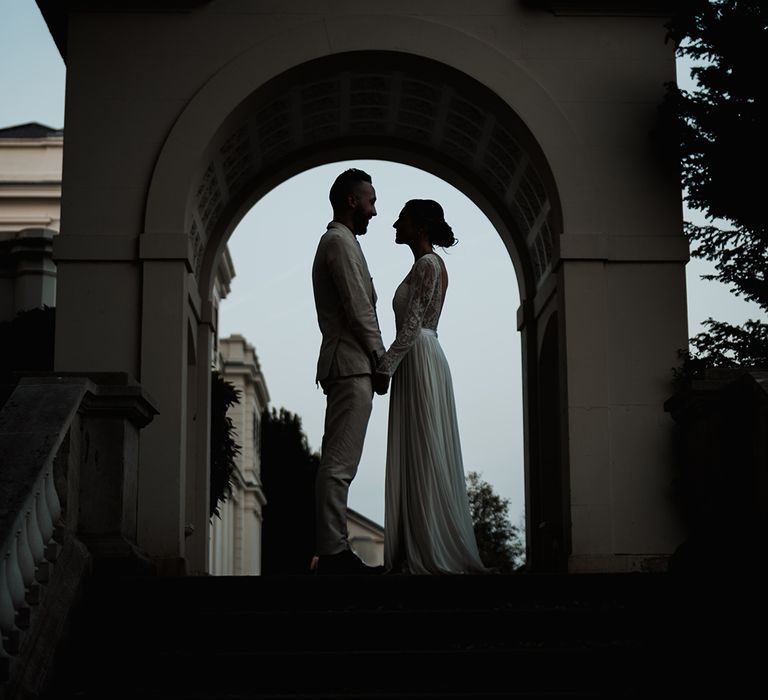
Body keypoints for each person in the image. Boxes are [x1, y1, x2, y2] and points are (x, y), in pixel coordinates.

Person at [376, 199, 487, 575]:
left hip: (418, 354)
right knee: (420, 447)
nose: (393, 223)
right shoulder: (427, 264)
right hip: (420, 354)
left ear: (419, 227)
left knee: (423, 447)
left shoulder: (427, 264)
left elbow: (412, 323)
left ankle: (428, 548)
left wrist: (385, 367)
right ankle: (418, 543)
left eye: (401, 219)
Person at [311, 168, 389, 575]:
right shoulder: (339, 243)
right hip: (352, 364)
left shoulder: (343, 243)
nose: (375, 211)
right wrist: (381, 359)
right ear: (351, 201)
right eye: (371, 201)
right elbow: (359, 307)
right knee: (339, 464)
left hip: (350, 364)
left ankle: (333, 549)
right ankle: (332, 553)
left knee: (341, 463)